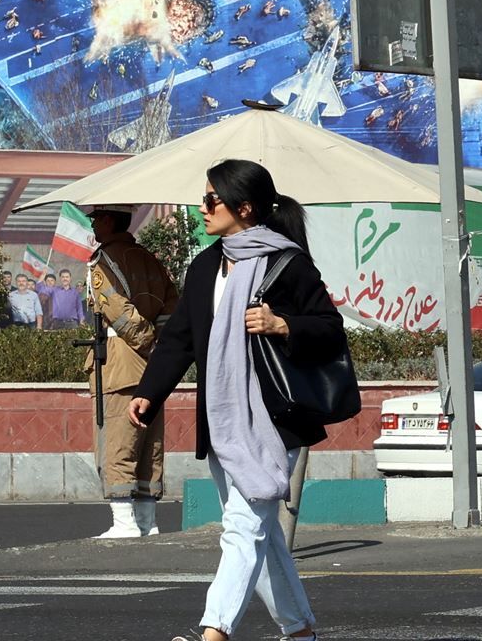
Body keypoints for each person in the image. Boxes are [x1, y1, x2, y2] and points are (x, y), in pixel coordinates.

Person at [132, 160, 339, 641]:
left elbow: (330, 329)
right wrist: (149, 392)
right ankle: (300, 631)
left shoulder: (287, 264)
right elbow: (181, 337)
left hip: (274, 420)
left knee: (243, 528)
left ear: (244, 207)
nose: (203, 209)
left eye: (212, 200)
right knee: (258, 533)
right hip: (223, 419)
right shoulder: (206, 265)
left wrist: (282, 324)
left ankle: (214, 632)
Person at [84, 206, 178, 539]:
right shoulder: (151, 261)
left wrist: (147, 342)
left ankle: (124, 523)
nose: (93, 225)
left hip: (120, 364)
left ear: (108, 220)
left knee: (117, 442)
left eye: (95, 218)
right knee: (150, 446)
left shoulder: (102, 263)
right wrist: (161, 351)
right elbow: (172, 309)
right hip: (155, 369)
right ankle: (147, 521)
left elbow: (119, 313)